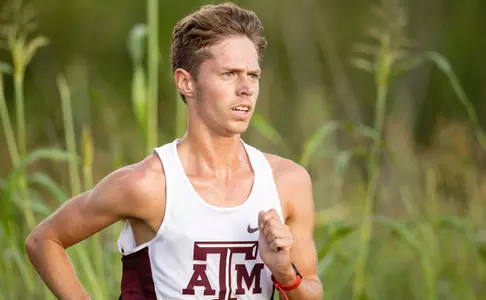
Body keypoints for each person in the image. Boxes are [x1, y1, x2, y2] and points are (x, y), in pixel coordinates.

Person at [25, 2, 323, 299]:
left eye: (253, 75)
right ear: (186, 82)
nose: (246, 88)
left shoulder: (287, 183)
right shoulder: (147, 184)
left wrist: (285, 274)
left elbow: (310, 291)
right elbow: (44, 240)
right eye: (229, 74)